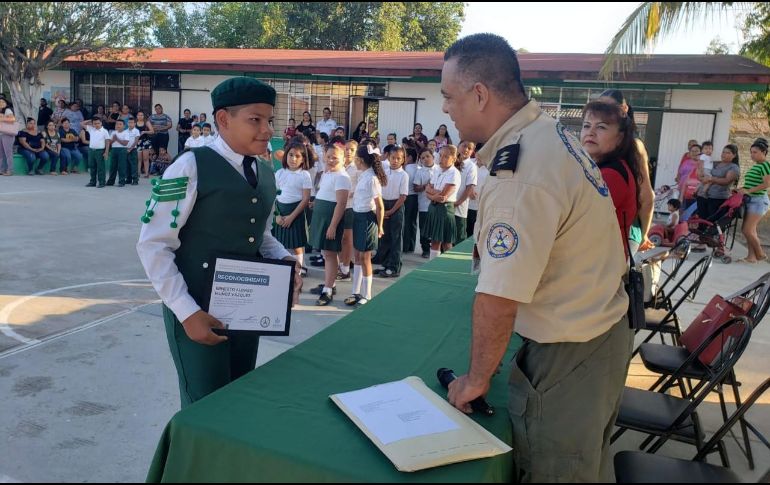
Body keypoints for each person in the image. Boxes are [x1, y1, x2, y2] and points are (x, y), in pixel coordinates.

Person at [442, 34, 629, 483]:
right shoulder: (547, 135)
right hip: (597, 337)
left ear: (480, 94)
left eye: (449, 97)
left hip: (569, 352)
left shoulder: (520, 171)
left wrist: (474, 380)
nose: (445, 109)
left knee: (559, 472)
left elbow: (500, 296)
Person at [136, 77, 302, 408]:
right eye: (255, 120)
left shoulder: (265, 170)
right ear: (223, 119)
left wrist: (285, 260)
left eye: (269, 120)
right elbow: (153, 244)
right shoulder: (190, 165)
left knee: (237, 396)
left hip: (247, 310)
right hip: (198, 309)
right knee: (204, 405)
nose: (267, 130)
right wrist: (186, 312)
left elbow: (259, 234)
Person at [580, 100, 640, 259]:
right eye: (586, 126)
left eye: (601, 127)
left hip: (599, 267)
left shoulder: (610, 175)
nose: (590, 132)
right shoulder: (598, 169)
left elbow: (580, 223)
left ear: (620, 138)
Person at [598, 89, 655, 254]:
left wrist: (643, 235)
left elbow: (647, 197)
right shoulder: (595, 145)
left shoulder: (634, 146)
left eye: (609, 108)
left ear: (624, 109)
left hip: (626, 229)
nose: (603, 113)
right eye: (600, 107)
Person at [308, 143, 351, 305]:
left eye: (335, 157)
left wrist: (333, 226)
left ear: (343, 159)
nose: (331, 160)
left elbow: (340, 204)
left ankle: (328, 290)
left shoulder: (342, 177)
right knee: (326, 254)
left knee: (330, 254)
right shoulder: (327, 173)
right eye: (329, 157)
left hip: (330, 220)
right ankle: (329, 284)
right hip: (321, 217)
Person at [345, 143, 387, 307]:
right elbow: (361, 193)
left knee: (365, 257)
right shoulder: (363, 174)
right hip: (357, 216)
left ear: (360, 160)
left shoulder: (372, 178)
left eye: (355, 158)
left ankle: (367, 294)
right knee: (357, 256)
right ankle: (356, 292)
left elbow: (380, 206)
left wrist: (380, 226)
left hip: (367, 219)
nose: (354, 160)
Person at [274, 141, 313, 275]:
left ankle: (299, 270)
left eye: (297, 156)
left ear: (303, 159)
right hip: (280, 212)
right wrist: (277, 215)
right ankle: (282, 270)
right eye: (290, 155)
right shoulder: (279, 173)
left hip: (296, 212)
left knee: (297, 245)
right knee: (279, 243)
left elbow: (306, 199)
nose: (293, 159)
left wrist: (291, 217)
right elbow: (274, 196)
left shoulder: (304, 175)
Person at [375, 145, 408, 278]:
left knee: (396, 238)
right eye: (393, 158)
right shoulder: (384, 170)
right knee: (385, 236)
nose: (395, 161)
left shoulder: (403, 175)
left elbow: (403, 196)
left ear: (403, 159)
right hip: (383, 204)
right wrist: (383, 209)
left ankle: (394, 267)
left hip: (396, 206)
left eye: (398, 158)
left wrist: (391, 210)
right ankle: (385, 263)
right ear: (388, 157)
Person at [736, 138, 770, 263]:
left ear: (764, 152)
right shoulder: (757, 166)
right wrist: (742, 189)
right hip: (750, 200)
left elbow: (767, 184)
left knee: (746, 230)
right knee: (752, 231)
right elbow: (752, 184)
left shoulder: (766, 165)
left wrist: (749, 191)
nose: (752, 155)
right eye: (751, 152)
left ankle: (760, 253)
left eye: (755, 152)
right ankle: (751, 257)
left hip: (759, 201)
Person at [424, 145, 461, 259]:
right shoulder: (437, 170)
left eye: (446, 156)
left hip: (444, 210)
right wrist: (432, 193)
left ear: (454, 159)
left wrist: (430, 192)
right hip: (434, 207)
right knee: (435, 240)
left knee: (446, 242)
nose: (441, 158)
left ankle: (448, 268)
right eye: (440, 155)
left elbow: (443, 196)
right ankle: (432, 267)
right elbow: (427, 191)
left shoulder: (454, 173)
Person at [338, 140, 360, 281]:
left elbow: (359, 188)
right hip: (337, 206)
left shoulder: (358, 168)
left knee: (347, 239)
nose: (349, 152)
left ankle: (346, 269)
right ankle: (340, 266)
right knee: (338, 239)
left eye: (352, 149)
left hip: (350, 207)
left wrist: (349, 193)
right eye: (346, 149)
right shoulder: (339, 166)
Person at [701, 144, 740, 221]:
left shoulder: (733, 167)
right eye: (723, 152)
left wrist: (712, 179)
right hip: (704, 196)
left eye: (728, 153)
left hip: (718, 198)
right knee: (702, 220)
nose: (724, 154)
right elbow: (703, 171)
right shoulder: (715, 163)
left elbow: (726, 181)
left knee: (711, 222)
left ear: (734, 155)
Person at [414, 148, 440, 258]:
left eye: (427, 156)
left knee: (435, 228)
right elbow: (415, 188)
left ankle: (436, 249)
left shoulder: (439, 169)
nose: (425, 159)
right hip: (424, 205)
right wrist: (425, 186)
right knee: (424, 228)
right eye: (423, 158)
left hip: (437, 204)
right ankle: (425, 249)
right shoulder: (420, 171)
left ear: (433, 157)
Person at [453, 140, 478, 245]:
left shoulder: (471, 166)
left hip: (459, 208)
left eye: (469, 148)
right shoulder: (451, 162)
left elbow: (469, 187)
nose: (466, 150)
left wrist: (458, 202)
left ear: (473, 151)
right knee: (445, 238)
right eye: (464, 146)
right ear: (458, 146)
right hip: (446, 204)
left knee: (459, 237)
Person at [81, 116, 111, 188]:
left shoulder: (105, 131)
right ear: (92, 124)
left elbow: (107, 142)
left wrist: (106, 152)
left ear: (101, 123)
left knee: (100, 167)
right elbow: (81, 123)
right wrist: (90, 120)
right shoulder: (91, 129)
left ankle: (102, 182)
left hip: (100, 151)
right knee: (92, 167)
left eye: (98, 123)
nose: (97, 125)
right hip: (91, 150)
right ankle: (92, 182)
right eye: (95, 123)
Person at [402, 146, 420, 254]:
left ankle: (405, 245)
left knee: (406, 222)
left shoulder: (406, 169)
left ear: (409, 157)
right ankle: (411, 246)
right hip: (416, 197)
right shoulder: (418, 167)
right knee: (412, 222)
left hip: (408, 197)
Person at [467, 153, 489, 238]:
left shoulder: (491, 168)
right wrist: (469, 190)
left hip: (481, 206)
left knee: (476, 233)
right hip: (466, 204)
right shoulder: (470, 164)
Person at [106, 119, 129, 186]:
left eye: (120, 124)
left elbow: (125, 143)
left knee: (121, 166)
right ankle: (111, 181)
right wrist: (114, 139)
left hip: (122, 150)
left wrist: (117, 139)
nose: (118, 126)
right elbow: (110, 142)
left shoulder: (126, 133)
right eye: (117, 124)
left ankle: (122, 181)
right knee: (112, 166)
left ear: (124, 126)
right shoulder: (113, 132)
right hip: (114, 150)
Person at [135, 110, 155, 177]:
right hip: (137, 141)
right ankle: (138, 173)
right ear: (137, 116)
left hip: (145, 141)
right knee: (139, 159)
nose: (140, 116)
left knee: (145, 158)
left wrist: (145, 132)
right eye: (139, 115)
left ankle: (147, 173)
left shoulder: (146, 122)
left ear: (143, 116)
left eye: (142, 115)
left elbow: (152, 131)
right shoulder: (135, 123)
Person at [0, 98, 16, 175]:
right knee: (1, 153)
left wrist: (1, 118)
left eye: (3, 102)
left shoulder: (8, 110)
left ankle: (10, 170)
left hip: (7, 134)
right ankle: (2, 170)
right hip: (1, 133)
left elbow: (12, 119)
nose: (1, 103)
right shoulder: (1, 111)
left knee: (8, 153)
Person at [125, 117, 141, 185]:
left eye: (131, 122)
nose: (130, 124)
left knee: (133, 165)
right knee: (127, 165)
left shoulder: (136, 131)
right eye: (129, 122)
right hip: (126, 149)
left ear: (135, 123)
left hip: (133, 150)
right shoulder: (125, 131)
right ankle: (128, 179)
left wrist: (130, 149)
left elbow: (136, 141)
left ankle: (135, 180)